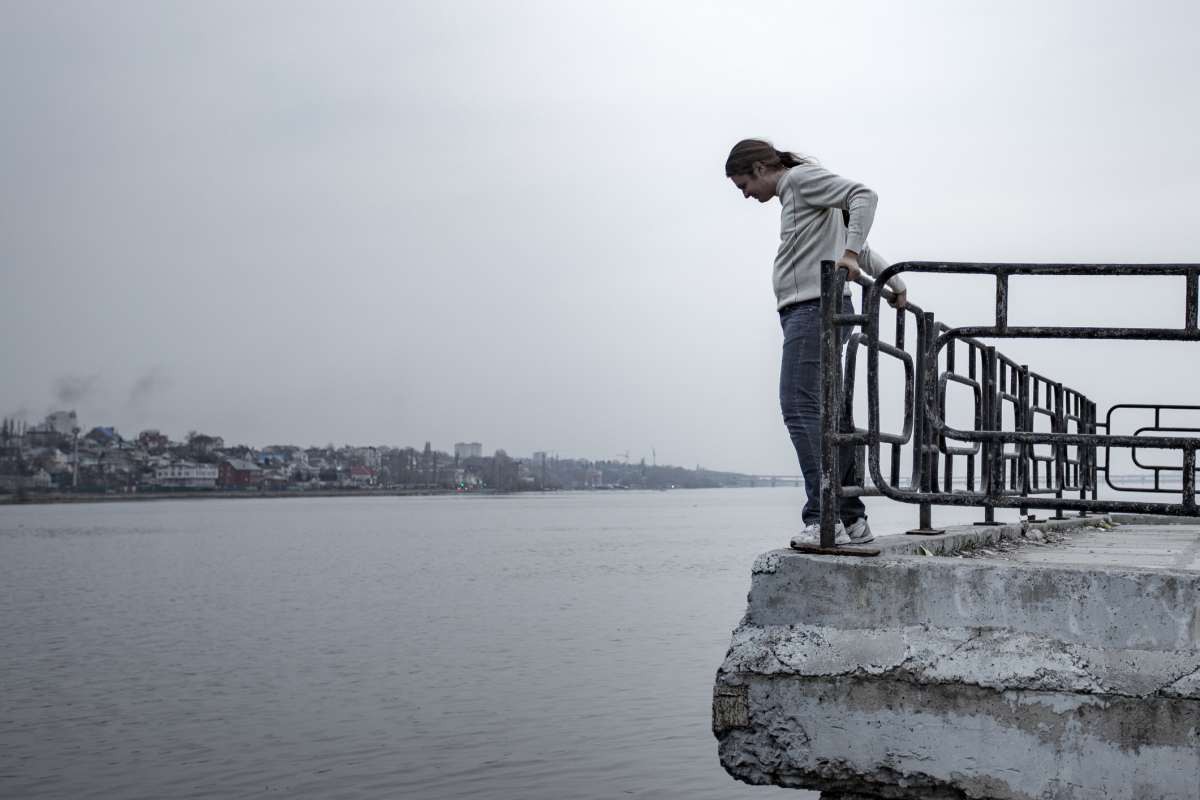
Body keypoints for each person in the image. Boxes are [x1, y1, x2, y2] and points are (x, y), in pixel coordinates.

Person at [725, 139, 908, 547]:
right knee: (831, 418)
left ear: (758, 168)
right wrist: (893, 282)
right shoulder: (807, 198)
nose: (747, 196)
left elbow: (864, 196)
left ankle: (823, 518)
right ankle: (851, 518)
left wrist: (850, 254)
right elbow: (856, 240)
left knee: (799, 407)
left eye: (743, 186)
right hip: (816, 310)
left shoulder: (799, 181)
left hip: (811, 309)